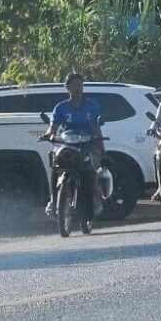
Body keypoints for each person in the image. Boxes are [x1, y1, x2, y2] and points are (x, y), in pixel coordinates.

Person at [40, 73, 104, 217]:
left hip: (88, 144)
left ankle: (94, 200)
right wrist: (49, 134)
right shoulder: (61, 108)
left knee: (91, 169)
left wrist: (102, 150)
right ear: (67, 87)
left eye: (80, 85)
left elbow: (97, 127)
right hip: (67, 143)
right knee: (56, 165)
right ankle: (53, 200)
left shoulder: (92, 105)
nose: (77, 88)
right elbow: (53, 127)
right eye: (74, 85)